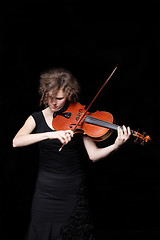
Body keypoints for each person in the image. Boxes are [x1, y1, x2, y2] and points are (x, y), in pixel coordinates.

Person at [13, 67, 131, 240]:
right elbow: (16, 141)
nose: (53, 103)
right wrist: (50, 134)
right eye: (50, 98)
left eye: (59, 99)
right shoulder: (36, 118)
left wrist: (115, 145)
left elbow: (93, 155)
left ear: (68, 95)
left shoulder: (80, 118)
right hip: (45, 191)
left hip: (72, 189)